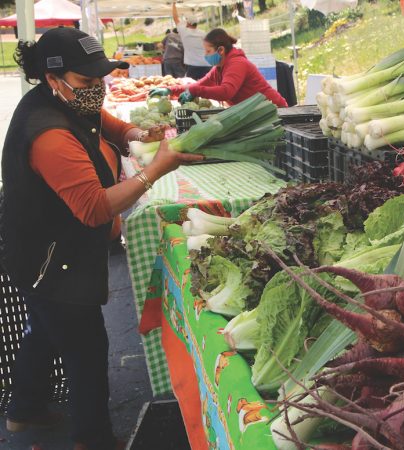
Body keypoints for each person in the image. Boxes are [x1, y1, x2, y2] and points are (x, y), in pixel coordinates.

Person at [0, 27, 203, 450]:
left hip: (41, 251)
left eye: (101, 81)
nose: (98, 91)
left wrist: (135, 136)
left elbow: (105, 122)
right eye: (88, 83)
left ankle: (24, 411)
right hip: (52, 262)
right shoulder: (49, 133)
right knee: (86, 351)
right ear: (54, 79)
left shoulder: (68, 100)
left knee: (44, 331)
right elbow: (94, 208)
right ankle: (92, 439)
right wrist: (153, 170)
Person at [149, 28, 288, 108]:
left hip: (273, 110)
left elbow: (226, 92)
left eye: (208, 51)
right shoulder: (219, 67)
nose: (205, 55)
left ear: (220, 50)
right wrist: (170, 90)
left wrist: (195, 91)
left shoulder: (237, 64)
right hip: (255, 111)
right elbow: (199, 84)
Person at [172, 2, 210, 80]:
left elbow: (175, 18)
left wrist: (174, 4)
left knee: (192, 87)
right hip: (206, 64)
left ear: (188, 23)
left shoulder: (184, 32)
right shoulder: (203, 33)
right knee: (207, 86)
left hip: (193, 65)